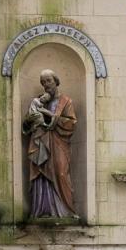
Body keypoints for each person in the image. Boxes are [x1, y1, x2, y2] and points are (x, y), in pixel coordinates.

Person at [22, 68, 77, 217]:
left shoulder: (66, 101)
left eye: (49, 81)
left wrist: (54, 119)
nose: (46, 85)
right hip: (39, 142)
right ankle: (42, 210)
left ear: (56, 82)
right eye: (43, 82)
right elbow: (27, 121)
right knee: (40, 173)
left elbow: (71, 123)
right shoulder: (39, 100)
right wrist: (31, 120)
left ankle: (65, 211)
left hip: (59, 142)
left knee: (61, 173)